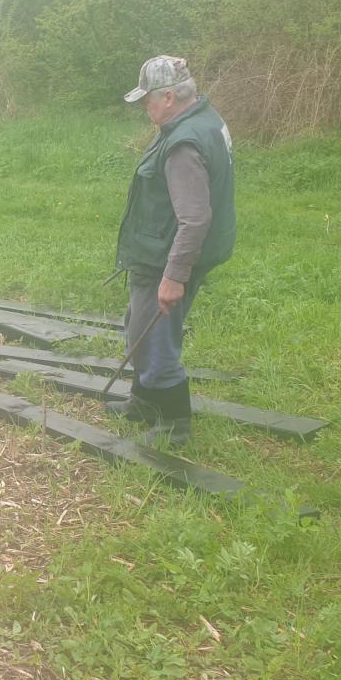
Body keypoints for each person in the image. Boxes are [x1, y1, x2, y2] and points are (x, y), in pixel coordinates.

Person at [109, 56, 236, 445]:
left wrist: (173, 276)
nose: (144, 107)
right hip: (159, 249)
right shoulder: (198, 120)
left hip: (166, 256)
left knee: (156, 338)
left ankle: (174, 422)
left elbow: (194, 219)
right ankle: (144, 400)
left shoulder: (184, 143)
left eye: (147, 99)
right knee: (138, 324)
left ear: (168, 97)